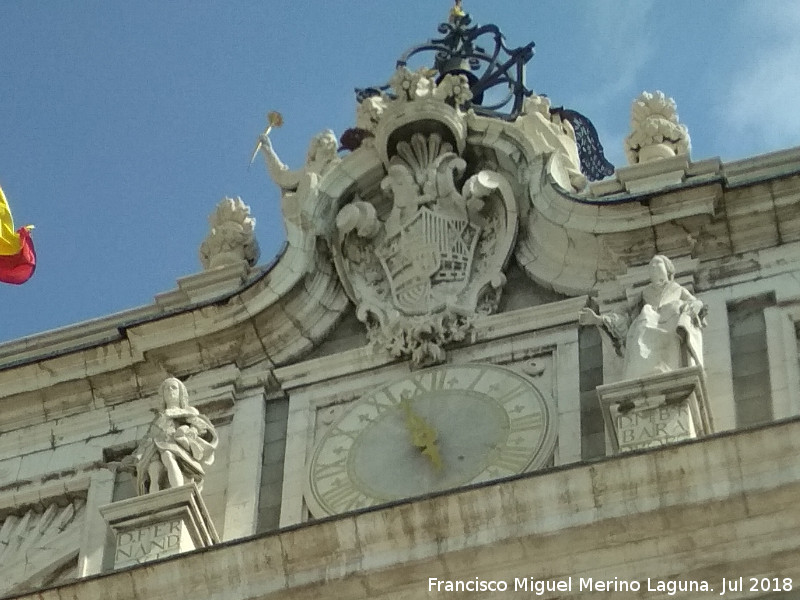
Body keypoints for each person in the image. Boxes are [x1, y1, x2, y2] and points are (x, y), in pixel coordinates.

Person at [578, 255, 707, 380]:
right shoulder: (645, 293)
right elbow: (626, 310)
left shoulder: (677, 288)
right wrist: (600, 319)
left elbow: (695, 301)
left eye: (658, 263)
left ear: (668, 269)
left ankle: (668, 370)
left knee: (671, 328)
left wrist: (695, 306)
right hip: (649, 322)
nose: (654, 267)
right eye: (651, 266)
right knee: (642, 323)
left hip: (671, 321)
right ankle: (643, 373)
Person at [133, 378, 218, 494]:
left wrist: (192, 430)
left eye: (174, 387)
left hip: (173, 444)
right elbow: (149, 435)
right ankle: (154, 500)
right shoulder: (159, 417)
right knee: (153, 470)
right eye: (166, 389)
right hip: (154, 447)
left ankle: (178, 491)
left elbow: (201, 426)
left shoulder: (188, 411)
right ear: (162, 395)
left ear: (180, 393)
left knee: (168, 456)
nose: (170, 390)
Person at [259, 129, 340, 243]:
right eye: (317, 149)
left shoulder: (339, 166)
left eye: (324, 147)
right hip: (312, 215)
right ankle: (309, 222)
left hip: (333, 212)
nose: (311, 157)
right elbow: (282, 176)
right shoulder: (309, 171)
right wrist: (268, 151)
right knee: (309, 179)